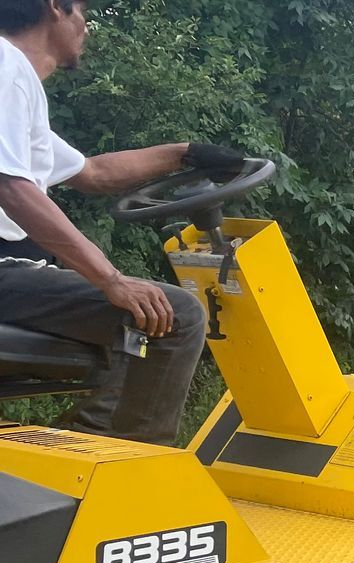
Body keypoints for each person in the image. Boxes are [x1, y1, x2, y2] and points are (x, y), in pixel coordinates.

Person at [0, 0, 244, 445]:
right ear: (56, 7)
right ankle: (126, 470)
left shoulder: (17, 90)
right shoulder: (4, 65)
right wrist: (110, 279)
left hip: (12, 275)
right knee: (178, 316)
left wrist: (184, 153)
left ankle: (80, 450)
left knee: (137, 319)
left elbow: (95, 173)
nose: (87, 27)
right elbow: (11, 187)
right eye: (83, 12)